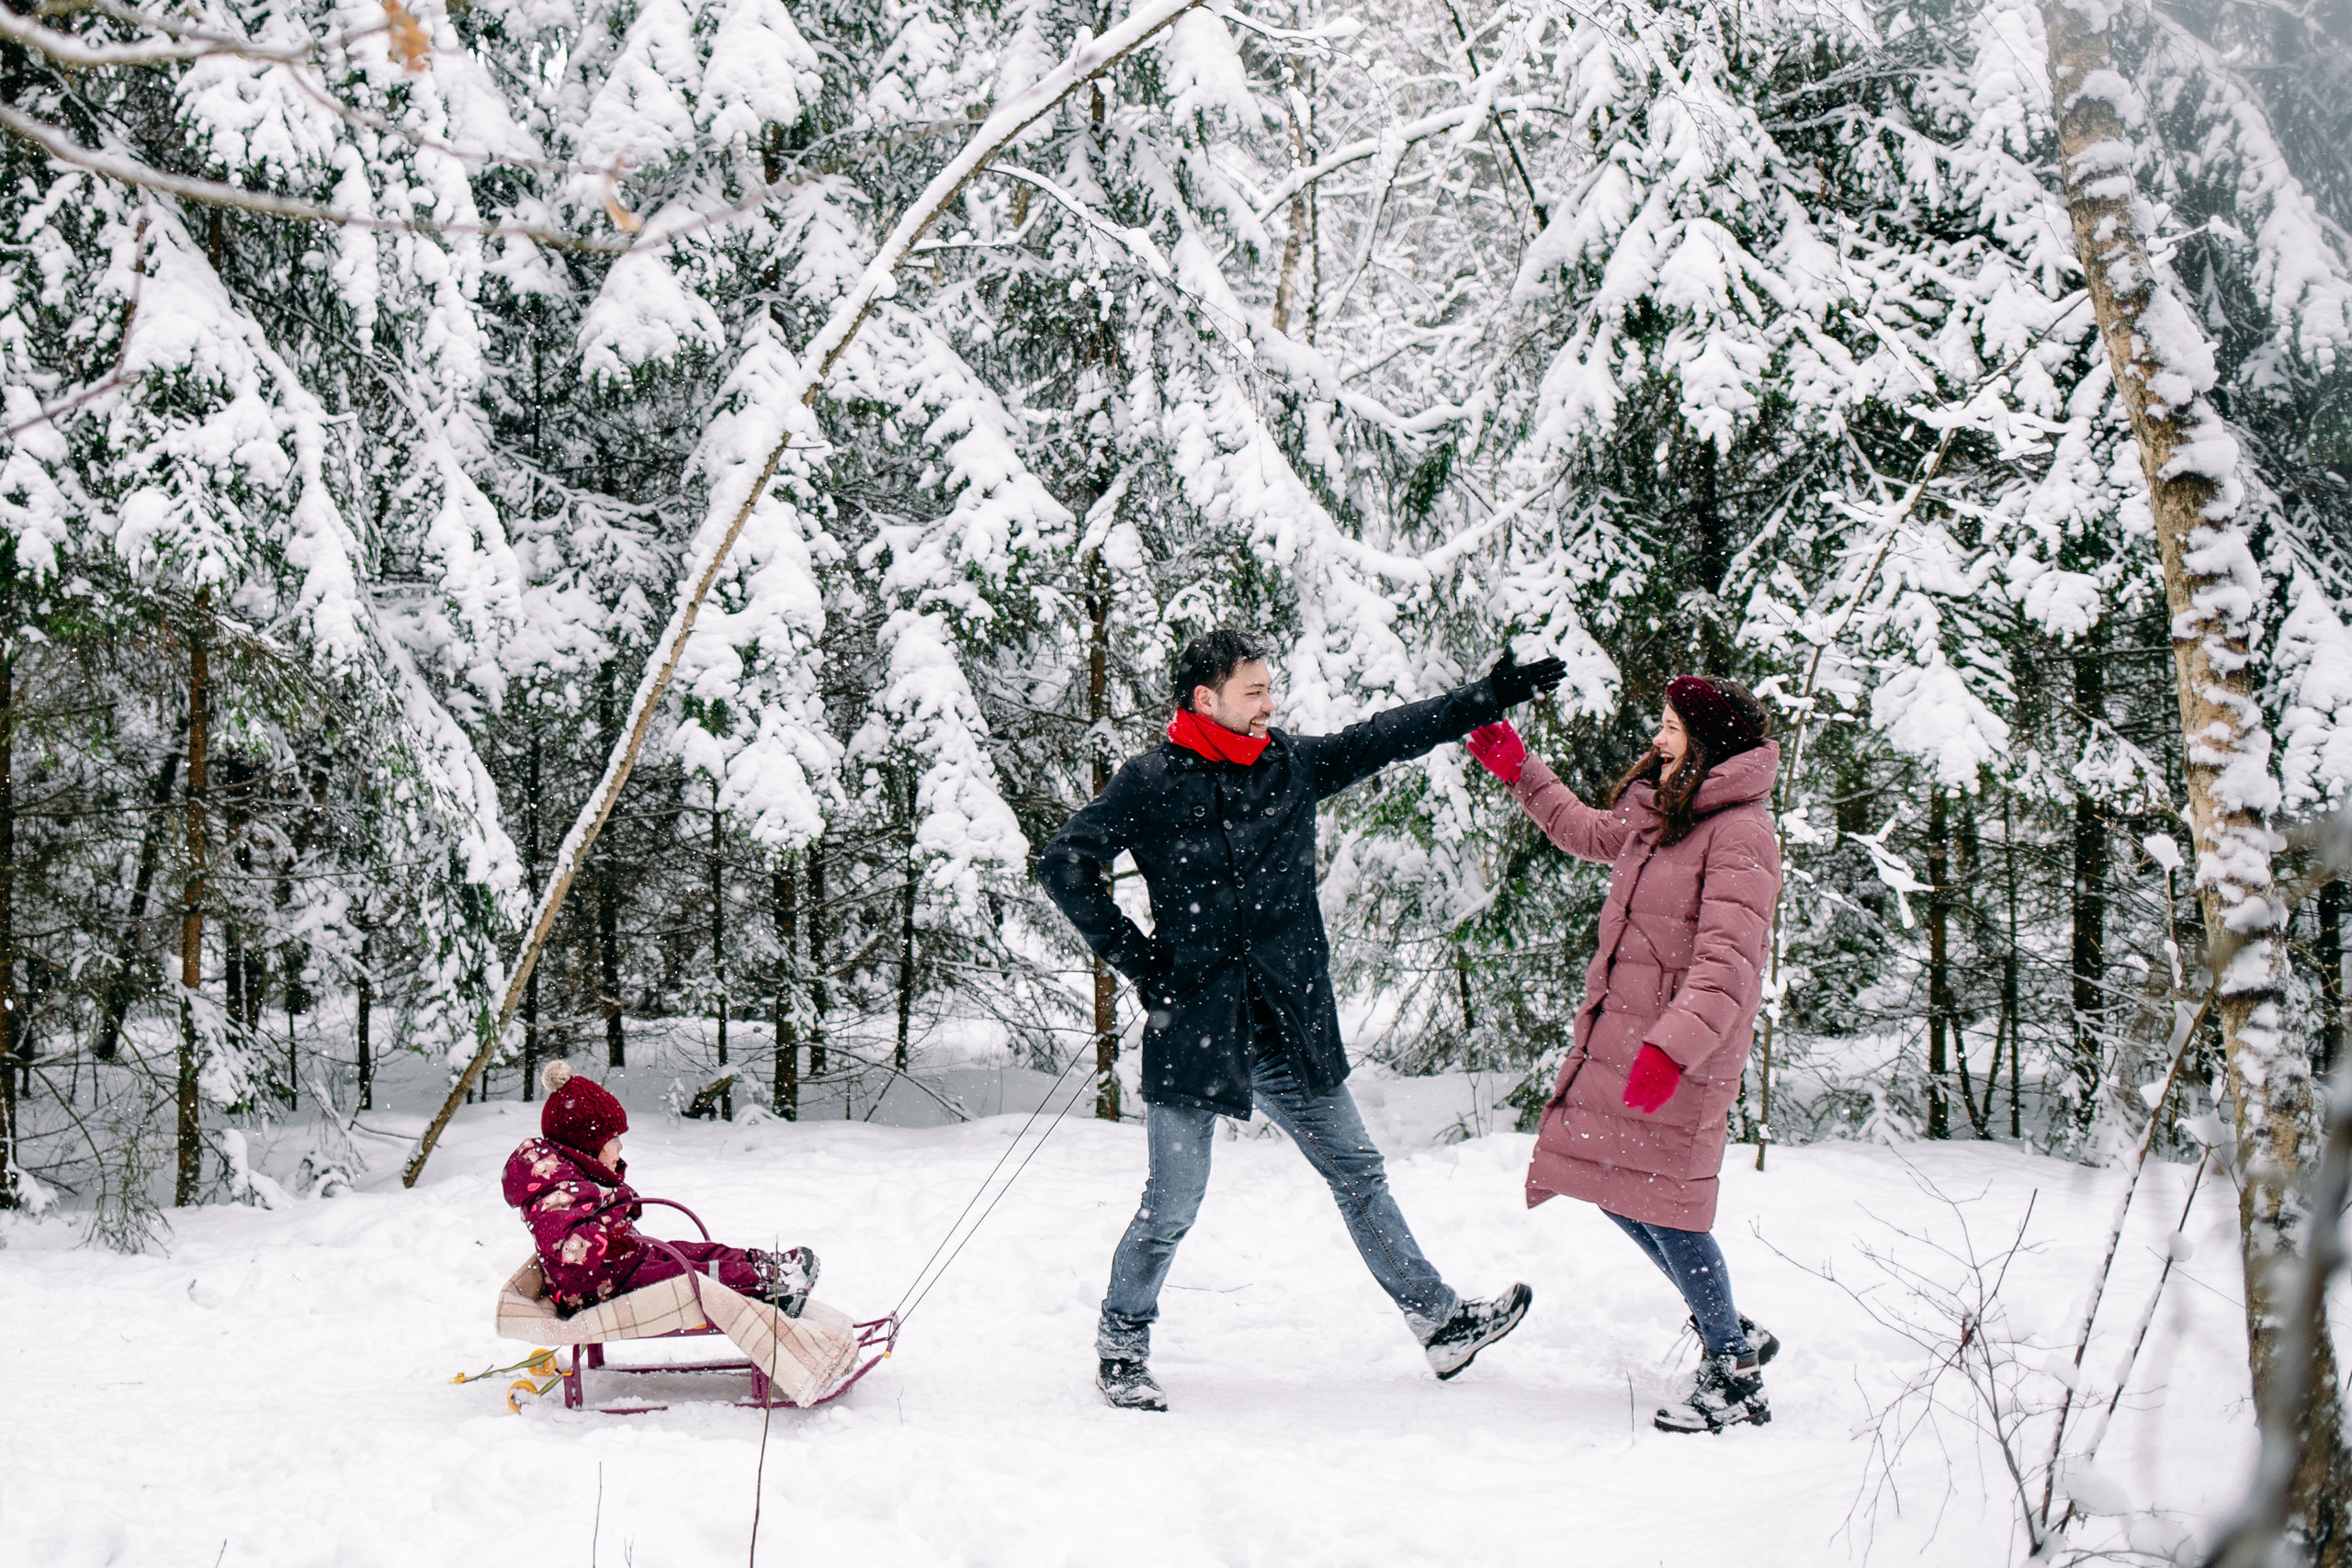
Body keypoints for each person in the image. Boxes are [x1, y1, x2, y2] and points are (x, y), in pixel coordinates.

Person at [1036, 627, 1566, 1411]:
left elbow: (1385, 736)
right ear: (1205, 698)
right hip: (1197, 1027)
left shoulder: (1287, 763)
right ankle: (1123, 1341)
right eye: (1254, 689)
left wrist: (1484, 699)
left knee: (1358, 1172)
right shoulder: (1151, 781)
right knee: (1173, 1202)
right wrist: (1145, 963)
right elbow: (1063, 864)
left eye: (1269, 686)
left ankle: (1439, 1321)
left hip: (1288, 1021)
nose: (1270, 701)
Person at [1464, 675, 1784, 1433]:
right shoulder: (1665, 813)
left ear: (1708, 744)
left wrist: (1671, 1049)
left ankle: (1735, 1372)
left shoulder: (1740, 833)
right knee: (1614, 1184)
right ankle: (1729, 1324)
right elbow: (1583, 829)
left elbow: (1727, 964)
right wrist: (1519, 769)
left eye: (1672, 727)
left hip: (1683, 1052)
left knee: (1670, 1206)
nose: (1658, 738)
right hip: (1629, 1044)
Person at [503, 1060, 820, 1317]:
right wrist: (608, 1228)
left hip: (624, 1265)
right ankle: (770, 1284)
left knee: (696, 1253)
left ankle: (769, 1266)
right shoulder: (553, 1191)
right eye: (611, 1140)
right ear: (586, 1147)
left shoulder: (575, 1178)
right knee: (694, 1277)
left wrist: (615, 1204)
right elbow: (574, 1248)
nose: (619, 1147)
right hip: (602, 1287)